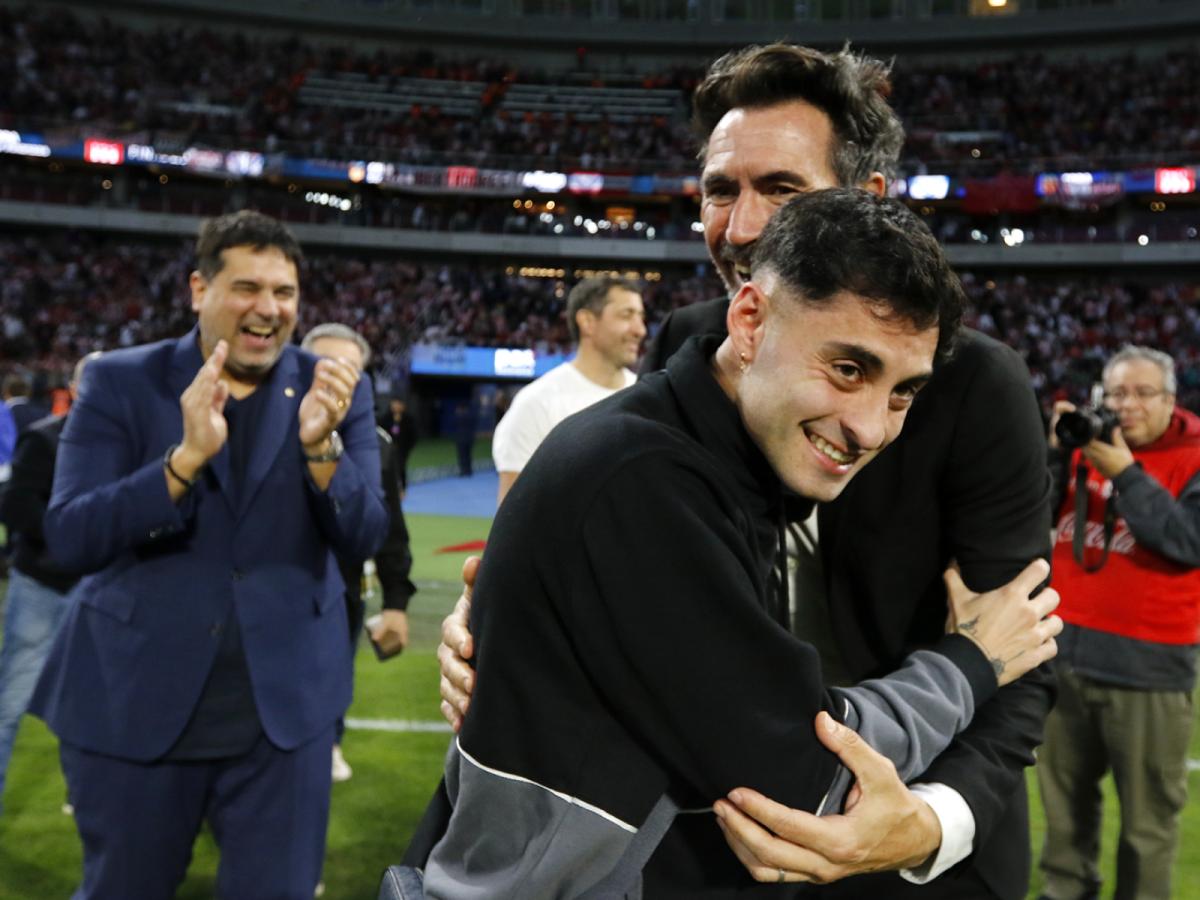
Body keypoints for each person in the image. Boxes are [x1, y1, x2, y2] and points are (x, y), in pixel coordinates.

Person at [437, 43, 1055, 899]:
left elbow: (1023, 647)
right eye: (721, 190)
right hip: (736, 826)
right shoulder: (693, 345)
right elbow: (636, 551)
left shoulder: (976, 386)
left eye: (782, 191)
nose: (738, 227)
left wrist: (928, 823)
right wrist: (497, 626)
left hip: (908, 842)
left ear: (867, 204)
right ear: (749, 323)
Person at [29, 210, 388, 900]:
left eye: (284, 293)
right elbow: (71, 535)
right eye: (246, 288)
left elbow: (366, 535)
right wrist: (183, 461)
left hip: (283, 721)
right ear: (199, 289)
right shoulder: (121, 382)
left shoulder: (337, 389)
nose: (268, 308)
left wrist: (321, 448)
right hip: (135, 704)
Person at [1037, 345, 1200, 900]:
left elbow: (1187, 541)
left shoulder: (1194, 454)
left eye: (1142, 393)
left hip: (1147, 670)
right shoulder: (1088, 441)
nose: (1127, 406)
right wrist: (1056, 454)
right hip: (1062, 658)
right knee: (1063, 822)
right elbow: (1029, 521)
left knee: (1147, 830)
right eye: (1116, 393)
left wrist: (1126, 474)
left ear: (1170, 400)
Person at [303, 323, 418, 783]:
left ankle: (330, 741)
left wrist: (396, 603)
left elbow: (391, 530)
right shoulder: (264, 429)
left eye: (348, 369)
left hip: (345, 588)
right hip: (276, 583)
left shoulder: (379, 446)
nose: (336, 377)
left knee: (335, 674)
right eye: (323, 366)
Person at [0, 352, 98, 816]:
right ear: (75, 390)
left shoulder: (123, 446)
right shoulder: (44, 440)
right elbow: (15, 505)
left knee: (89, 706)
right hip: (42, 585)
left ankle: (83, 795)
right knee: (11, 704)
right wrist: (72, 534)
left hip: (94, 587)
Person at [491, 275, 645, 503]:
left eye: (641, 317)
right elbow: (512, 520)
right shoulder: (536, 405)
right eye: (626, 315)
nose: (640, 330)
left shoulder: (649, 396)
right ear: (587, 322)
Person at [379, 395, 419, 492]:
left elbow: (413, 435)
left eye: (398, 404)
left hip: (403, 449)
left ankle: (402, 488)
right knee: (388, 469)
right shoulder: (385, 419)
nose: (396, 406)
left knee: (401, 468)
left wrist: (409, 447)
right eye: (394, 403)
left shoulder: (408, 419)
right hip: (388, 450)